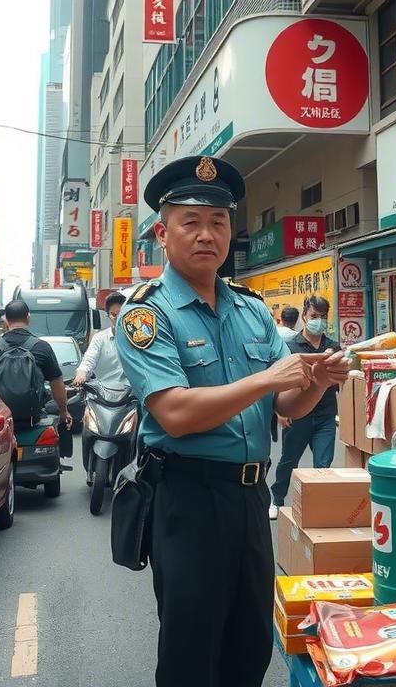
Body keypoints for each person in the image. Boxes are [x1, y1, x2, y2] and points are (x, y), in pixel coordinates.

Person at [114, 154, 349, 687]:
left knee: (248, 648)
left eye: (217, 222)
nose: (206, 235)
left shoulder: (251, 309)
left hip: (250, 500)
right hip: (188, 500)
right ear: (162, 232)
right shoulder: (146, 314)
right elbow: (173, 413)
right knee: (190, 654)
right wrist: (269, 379)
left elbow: (284, 410)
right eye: (190, 222)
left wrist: (316, 381)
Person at [269, 295, 339, 520]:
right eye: (314, 316)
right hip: (298, 415)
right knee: (289, 461)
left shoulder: (333, 346)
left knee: (323, 465)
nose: (319, 321)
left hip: (326, 415)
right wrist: (279, 411)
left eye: (323, 317)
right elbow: (279, 381)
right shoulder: (291, 347)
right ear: (304, 316)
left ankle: (318, 507)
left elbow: (340, 382)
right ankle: (277, 498)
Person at [0, 300, 71, 429]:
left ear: (6, 320)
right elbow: (57, 383)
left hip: (2, 422)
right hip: (34, 419)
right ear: (28, 317)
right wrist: (63, 411)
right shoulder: (42, 347)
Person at [73, 292, 130, 392]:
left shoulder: (137, 338)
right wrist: (81, 374)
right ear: (107, 315)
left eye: (122, 314)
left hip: (131, 395)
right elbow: (88, 360)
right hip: (103, 396)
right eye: (114, 315)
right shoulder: (100, 338)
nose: (118, 318)